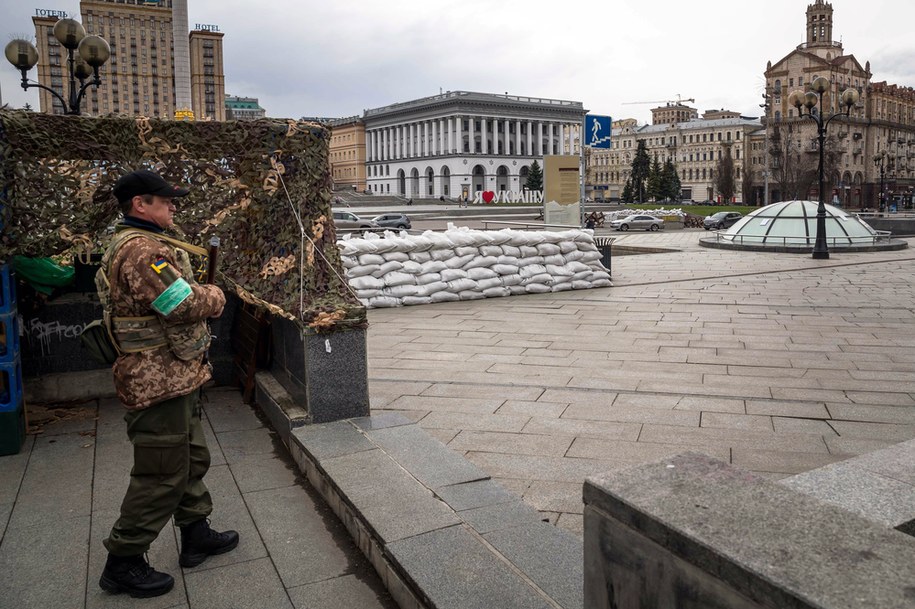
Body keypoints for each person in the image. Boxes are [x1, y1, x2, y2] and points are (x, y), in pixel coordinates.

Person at [98, 169, 238, 599]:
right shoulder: (142, 250)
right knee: (161, 471)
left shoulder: (142, 242)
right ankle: (123, 561)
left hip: (173, 374)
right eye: (166, 200)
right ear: (140, 204)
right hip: (156, 379)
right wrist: (215, 296)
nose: (173, 205)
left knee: (190, 456)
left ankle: (195, 533)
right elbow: (181, 304)